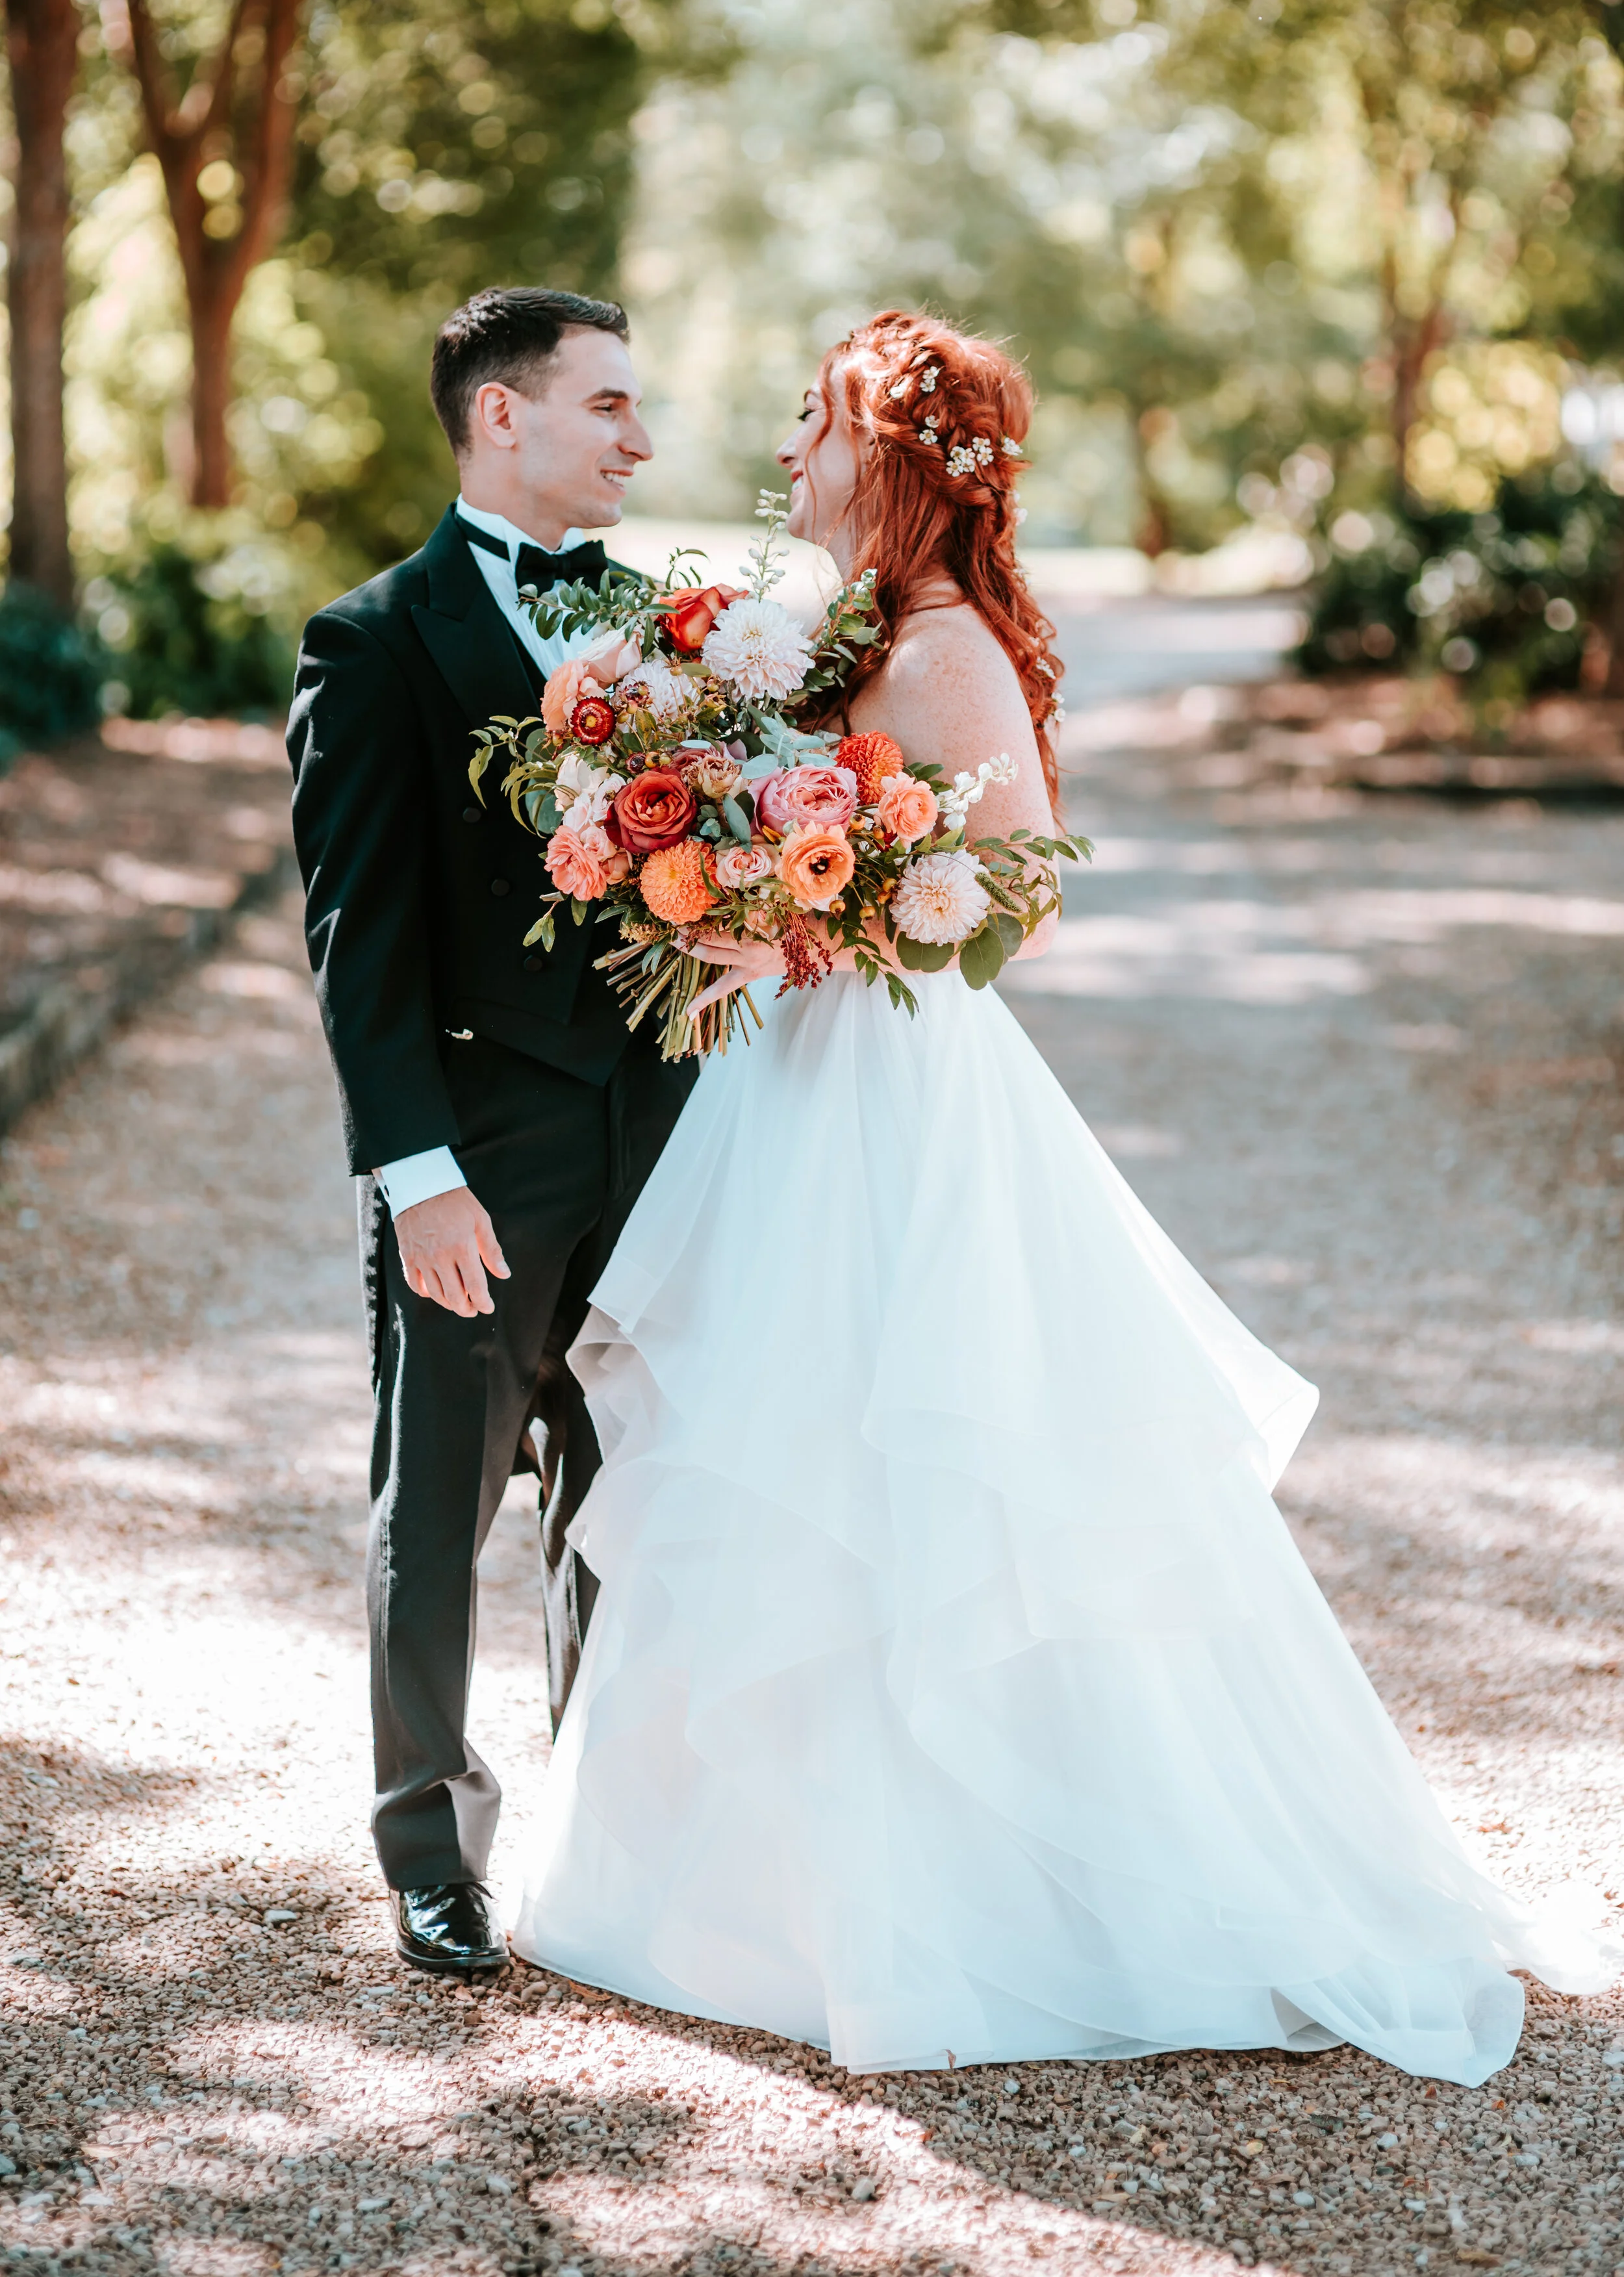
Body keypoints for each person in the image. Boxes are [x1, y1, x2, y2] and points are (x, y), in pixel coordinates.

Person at [509, 309, 1611, 2083]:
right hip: (803, 1082)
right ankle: (764, 1891)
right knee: (794, 1454)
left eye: (812, 426)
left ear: (885, 458)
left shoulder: (940, 647)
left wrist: (827, 905)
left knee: (909, 1459)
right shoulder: (843, 636)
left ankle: (984, 1899)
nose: (783, 453)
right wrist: (726, 892)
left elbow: (1007, 894)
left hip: (895, 1100)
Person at [286, 286, 695, 1978]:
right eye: (607, 404)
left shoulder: (673, 632)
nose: (639, 438)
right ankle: (430, 1850)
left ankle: (615, 1838)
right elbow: (354, 940)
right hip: (480, 1153)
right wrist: (418, 1176)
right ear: (501, 416)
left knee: (640, 1493)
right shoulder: (374, 642)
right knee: (438, 1505)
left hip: (669, 1137)